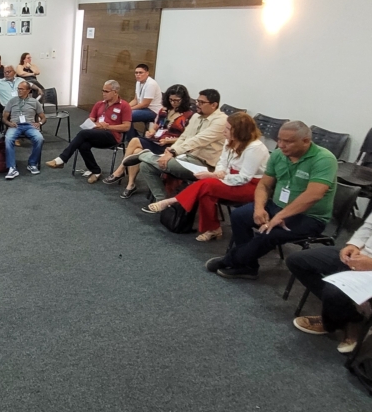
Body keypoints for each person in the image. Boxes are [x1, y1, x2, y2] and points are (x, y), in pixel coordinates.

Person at [206, 120, 338, 280]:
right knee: (239, 216)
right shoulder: (279, 155)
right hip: (276, 206)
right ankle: (248, 266)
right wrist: (259, 208)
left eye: (288, 141)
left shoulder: (323, 159)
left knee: (269, 233)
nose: (281, 145)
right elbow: (264, 185)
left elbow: (313, 195)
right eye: (279, 140)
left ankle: (230, 260)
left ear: (305, 141)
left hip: (309, 217)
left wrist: (280, 216)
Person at [146, 113, 270, 241]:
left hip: (253, 186)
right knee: (206, 192)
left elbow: (244, 178)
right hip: (231, 178)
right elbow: (222, 162)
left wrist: (216, 176)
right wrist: (220, 172)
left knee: (208, 184)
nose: (224, 131)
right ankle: (213, 229)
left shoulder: (255, 148)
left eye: (228, 129)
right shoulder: (230, 141)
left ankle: (172, 201)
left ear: (239, 131)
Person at [286, 211, 372, 354]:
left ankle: (337, 320)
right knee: (296, 261)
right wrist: (354, 245)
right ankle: (349, 316)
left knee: (333, 291)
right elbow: (368, 226)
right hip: (360, 256)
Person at [136, 88, 227, 207]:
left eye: (201, 102)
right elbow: (184, 137)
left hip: (204, 164)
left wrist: (173, 152)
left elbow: (198, 140)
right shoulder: (196, 116)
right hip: (186, 157)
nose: (197, 105)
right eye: (197, 101)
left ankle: (142, 155)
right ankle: (161, 201)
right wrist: (170, 151)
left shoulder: (221, 121)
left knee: (166, 163)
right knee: (145, 166)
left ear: (214, 105)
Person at [104, 84, 192, 197]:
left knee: (135, 141)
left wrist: (169, 141)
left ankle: (120, 170)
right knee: (136, 152)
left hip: (171, 147)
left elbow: (187, 138)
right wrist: (150, 132)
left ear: (183, 100)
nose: (173, 103)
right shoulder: (164, 110)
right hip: (157, 141)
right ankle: (130, 184)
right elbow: (155, 127)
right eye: (171, 100)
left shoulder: (189, 116)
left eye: (177, 100)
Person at [45, 80, 132, 183]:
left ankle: (62, 159)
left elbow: (126, 127)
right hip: (96, 133)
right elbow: (91, 118)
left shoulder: (124, 106)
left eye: (106, 91)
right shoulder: (99, 104)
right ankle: (96, 171)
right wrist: (93, 124)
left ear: (115, 92)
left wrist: (108, 127)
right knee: (83, 145)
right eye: (103, 90)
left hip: (112, 136)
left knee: (83, 134)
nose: (103, 93)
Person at [2, 81, 46, 179]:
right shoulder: (12, 101)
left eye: (22, 89)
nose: (19, 91)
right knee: (8, 139)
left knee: (39, 139)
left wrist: (39, 123)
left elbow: (43, 118)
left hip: (30, 126)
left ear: (28, 91)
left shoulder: (35, 102)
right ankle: (12, 168)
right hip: (15, 125)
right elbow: (4, 118)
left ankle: (32, 163)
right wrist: (9, 123)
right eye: (18, 89)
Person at [126, 63, 163, 141]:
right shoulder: (138, 82)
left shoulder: (151, 84)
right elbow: (135, 100)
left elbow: (145, 104)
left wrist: (129, 109)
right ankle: (135, 138)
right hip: (144, 109)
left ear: (147, 73)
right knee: (124, 113)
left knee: (127, 116)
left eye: (140, 73)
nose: (138, 75)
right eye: (136, 73)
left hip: (153, 111)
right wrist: (125, 107)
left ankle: (132, 140)